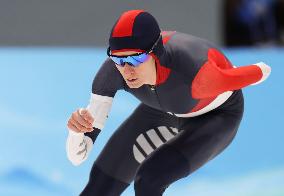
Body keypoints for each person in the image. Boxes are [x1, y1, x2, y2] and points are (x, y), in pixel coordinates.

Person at [66, 10, 271, 196]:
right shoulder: (111, 74)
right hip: (159, 111)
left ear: (155, 52)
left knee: (149, 180)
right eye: (118, 59)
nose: (127, 70)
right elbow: (77, 157)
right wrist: (76, 132)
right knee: (99, 187)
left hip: (215, 117)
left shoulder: (196, 74)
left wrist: (261, 67)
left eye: (136, 59)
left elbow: (260, 71)